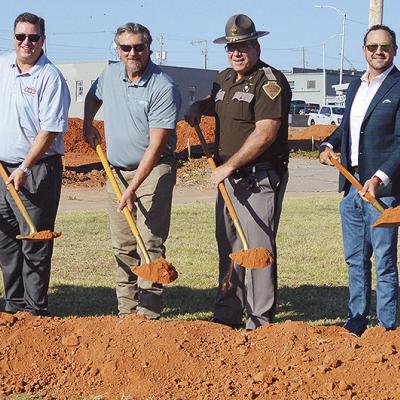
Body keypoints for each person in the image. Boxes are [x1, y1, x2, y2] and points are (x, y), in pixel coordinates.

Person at [185, 14, 291, 330]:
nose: (237, 53)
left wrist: (229, 166)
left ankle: (259, 320)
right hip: (228, 179)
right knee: (229, 246)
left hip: (258, 178)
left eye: (243, 46)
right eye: (231, 47)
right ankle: (227, 314)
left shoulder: (270, 82)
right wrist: (198, 107)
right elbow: (216, 100)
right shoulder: (224, 79)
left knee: (256, 249)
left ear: (256, 45)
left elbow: (266, 132)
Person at [84, 22, 180, 319]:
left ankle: (149, 314)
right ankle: (127, 314)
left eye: (139, 47)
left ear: (149, 48)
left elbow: (155, 146)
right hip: (116, 170)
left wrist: (131, 188)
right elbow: (93, 95)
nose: (132, 52)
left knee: (149, 241)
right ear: (118, 49)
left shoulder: (163, 86)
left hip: (153, 170)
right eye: (125, 47)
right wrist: (88, 123)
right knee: (123, 244)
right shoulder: (110, 74)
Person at [320, 25, 400, 336]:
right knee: (355, 260)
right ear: (363, 50)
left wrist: (380, 178)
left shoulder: (398, 86)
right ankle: (355, 320)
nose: (378, 51)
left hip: (384, 193)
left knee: (384, 261)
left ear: (394, 50)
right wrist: (328, 145)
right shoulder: (356, 86)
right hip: (352, 188)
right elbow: (346, 130)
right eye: (372, 47)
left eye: (385, 46)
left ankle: (387, 328)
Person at [0, 12, 70, 315]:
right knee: (6, 239)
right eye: (20, 37)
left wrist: (25, 168)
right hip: (3, 168)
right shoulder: (2, 66)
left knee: (34, 240)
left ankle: (35, 310)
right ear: (13, 38)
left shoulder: (50, 77)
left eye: (33, 37)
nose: (26, 43)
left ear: (43, 40)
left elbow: (50, 129)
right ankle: (13, 304)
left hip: (36, 169)